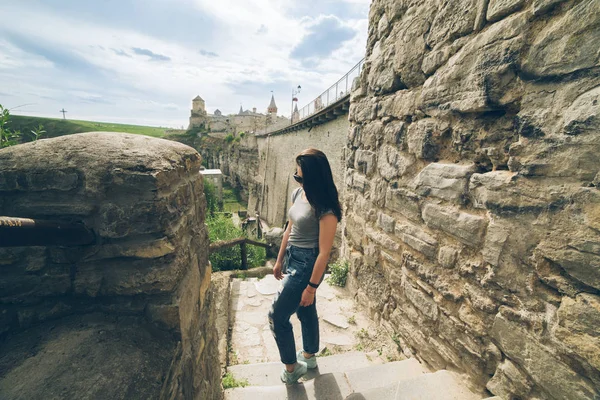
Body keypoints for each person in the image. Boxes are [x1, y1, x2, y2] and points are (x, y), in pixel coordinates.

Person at [268, 148, 342, 384]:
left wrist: (311, 287)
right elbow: (289, 229)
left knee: (277, 315)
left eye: (300, 175)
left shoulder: (325, 209)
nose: (297, 179)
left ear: (312, 176)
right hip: (291, 258)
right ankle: (309, 356)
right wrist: (279, 260)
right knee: (305, 310)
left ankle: (292, 368)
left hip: (308, 263)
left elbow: (324, 252)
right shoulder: (297, 193)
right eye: (296, 175)